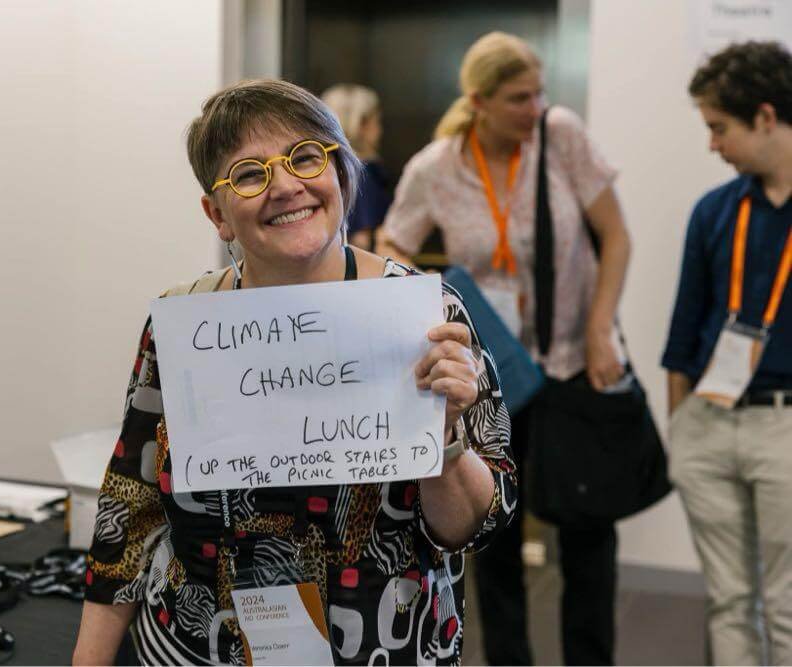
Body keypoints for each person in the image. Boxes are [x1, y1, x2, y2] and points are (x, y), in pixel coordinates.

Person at [72, 79, 517, 666]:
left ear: (340, 176)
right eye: (250, 174)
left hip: (381, 647)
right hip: (202, 650)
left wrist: (443, 441)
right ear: (218, 214)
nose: (285, 185)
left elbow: (473, 527)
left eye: (305, 157)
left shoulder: (425, 315)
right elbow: (128, 514)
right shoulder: (184, 327)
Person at [377, 32, 631, 665]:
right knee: (495, 537)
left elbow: (616, 237)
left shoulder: (561, 136)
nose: (535, 107)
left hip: (571, 361)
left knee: (586, 533)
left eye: (540, 92)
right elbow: (392, 245)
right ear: (478, 100)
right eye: (519, 98)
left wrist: (601, 327)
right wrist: (434, 301)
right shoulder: (436, 166)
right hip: (493, 376)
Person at [662, 41, 792, 666]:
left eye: (720, 128)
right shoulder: (715, 211)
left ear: (766, 117)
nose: (712, 144)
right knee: (728, 602)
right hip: (710, 423)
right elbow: (683, 332)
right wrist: (681, 430)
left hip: (785, 426)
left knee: (788, 608)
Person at [321, 83, 391, 251]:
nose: (380, 130)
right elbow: (361, 241)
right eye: (377, 122)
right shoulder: (362, 174)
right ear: (362, 124)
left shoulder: (326, 171)